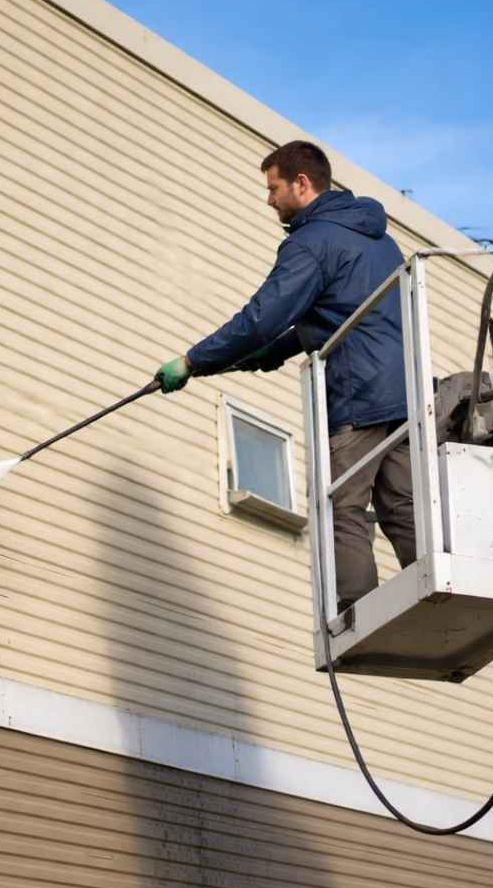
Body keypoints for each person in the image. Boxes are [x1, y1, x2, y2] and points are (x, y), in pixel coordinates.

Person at [155, 140, 416, 610]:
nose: (269, 200)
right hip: (403, 394)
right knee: (402, 506)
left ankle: (356, 611)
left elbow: (262, 318)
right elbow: (333, 318)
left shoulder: (312, 242)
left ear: (301, 183)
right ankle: (438, 598)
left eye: (273, 188)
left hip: (357, 394)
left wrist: (192, 361)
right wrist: (257, 356)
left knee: (341, 505)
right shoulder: (378, 238)